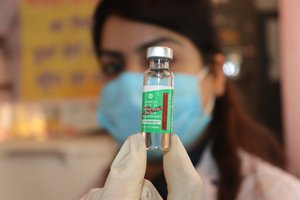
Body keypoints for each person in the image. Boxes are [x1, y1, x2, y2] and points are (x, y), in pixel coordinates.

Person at [82, 0, 300, 199]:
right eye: (113, 66)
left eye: (169, 58)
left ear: (215, 75)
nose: (133, 86)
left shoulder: (276, 193)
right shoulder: (103, 189)